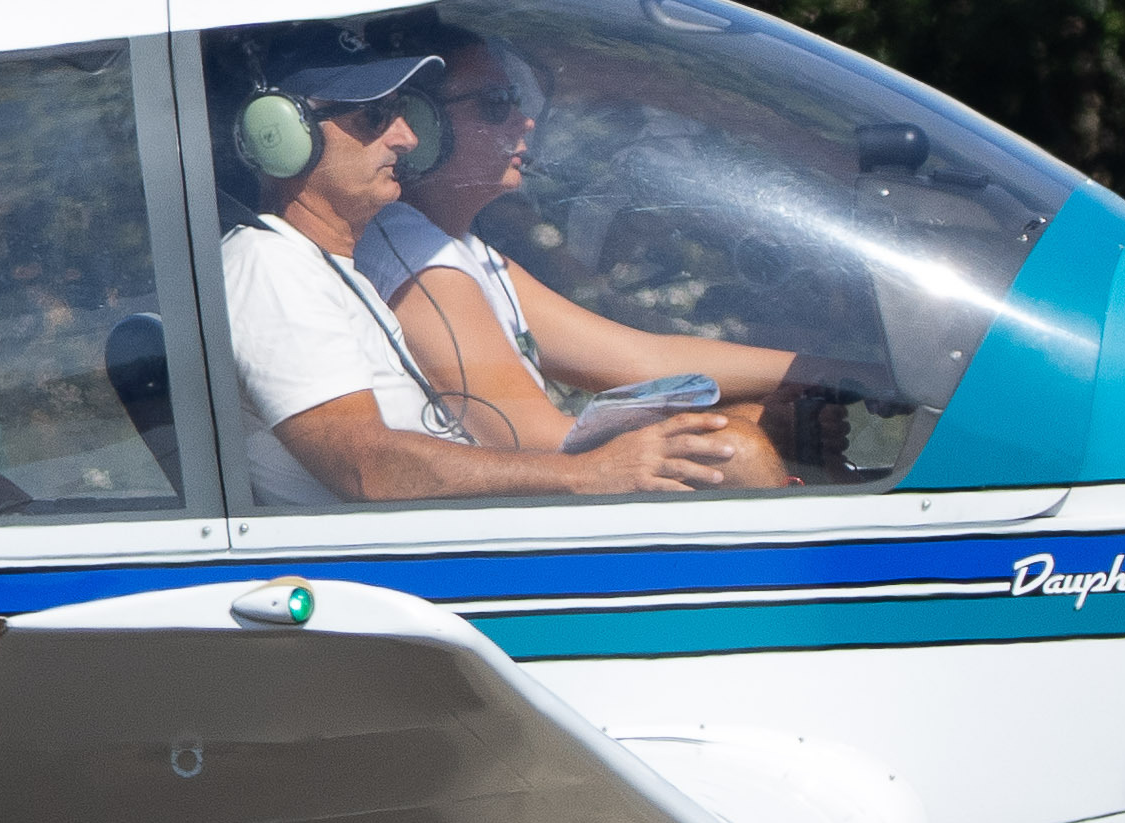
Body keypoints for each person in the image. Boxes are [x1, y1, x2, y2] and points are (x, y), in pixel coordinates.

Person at [217, 51, 752, 504]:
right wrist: (586, 474)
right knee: (737, 455)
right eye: (373, 118)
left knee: (737, 434)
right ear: (281, 135)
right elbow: (365, 465)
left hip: (441, 555)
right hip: (399, 585)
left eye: (402, 114)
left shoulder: (334, 269)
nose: (405, 138)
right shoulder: (269, 265)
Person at [362, 34, 802, 491]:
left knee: (752, 418)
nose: (525, 121)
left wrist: (829, 376)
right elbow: (528, 440)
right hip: (489, 531)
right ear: (421, 125)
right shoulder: (410, 250)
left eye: (515, 100)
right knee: (735, 450)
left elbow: (642, 358)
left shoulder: (457, 249)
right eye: (495, 104)